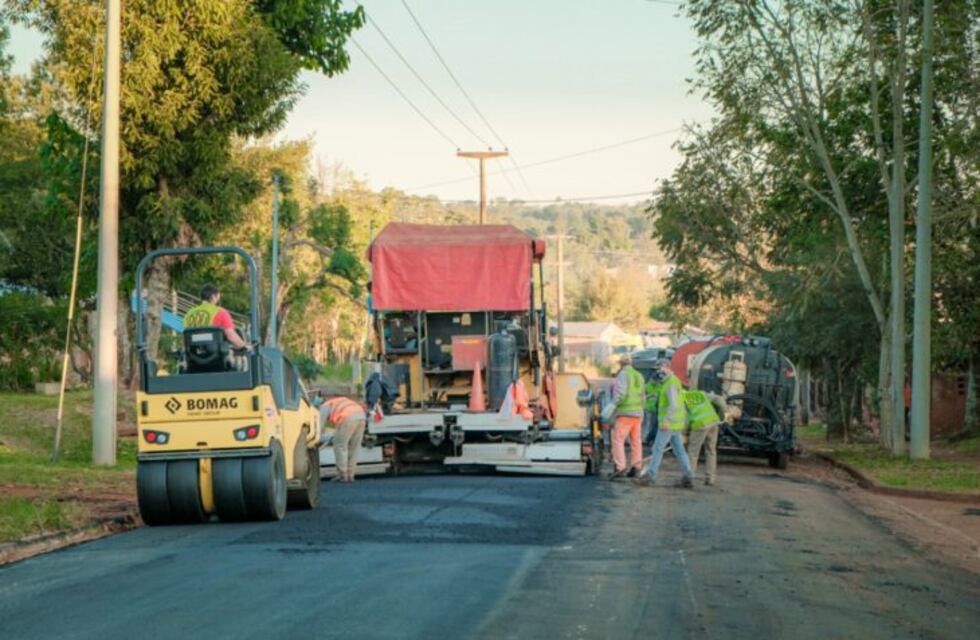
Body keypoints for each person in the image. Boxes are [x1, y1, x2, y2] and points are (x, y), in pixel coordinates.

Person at [633, 360, 694, 488]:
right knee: (679, 450)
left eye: (659, 368)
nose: (657, 372)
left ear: (666, 367)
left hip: (668, 423)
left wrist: (666, 420)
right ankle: (688, 476)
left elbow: (673, 405)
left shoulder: (670, 383)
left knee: (657, 449)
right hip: (675, 423)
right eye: (656, 369)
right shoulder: (669, 382)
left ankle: (650, 477)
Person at [609, 354, 646, 478]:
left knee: (618, 440)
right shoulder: (639, 375)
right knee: (636, 441)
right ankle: (636, 467)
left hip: (625, 413)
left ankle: (620, 467)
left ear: (621, 364)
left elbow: (620, 394)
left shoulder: (623, 374)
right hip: (638, 413)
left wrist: (612, 406)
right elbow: (643, 396)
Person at [183, 284, 248, 349]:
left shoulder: (188, 314)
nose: (218, 301)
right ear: (213, 296)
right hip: (214, 353)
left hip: (192, 354)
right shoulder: (220, 312)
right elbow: (231, 336)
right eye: (217, 298)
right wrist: (244, 346)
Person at [320, 395, 367, 482]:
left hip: (347, 418)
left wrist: (318, 437)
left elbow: (320, 424)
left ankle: (343, 475)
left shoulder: (326, 405)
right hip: (361, 416)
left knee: (340, 446)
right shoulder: (342, 400)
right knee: (354, 447)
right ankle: (351, 474)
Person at [684, 389, 725, 486]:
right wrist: (722, 415)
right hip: (713, 422)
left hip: (700, 424)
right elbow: (720, 400)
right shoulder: (700, 393)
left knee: (693, 452)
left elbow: (686, 419)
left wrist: (684, 433)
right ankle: (710, 478)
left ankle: (689, 477)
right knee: (711, 451)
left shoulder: (682, 399)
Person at [642, 369, 663, 445]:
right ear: (651, 379)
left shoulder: (659, 386)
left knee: (652, 425)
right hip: (647, 408)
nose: (656, 382)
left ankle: (648, 438)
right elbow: (642, 397)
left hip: (656, 408)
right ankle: (645, 438)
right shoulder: (646, 386)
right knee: (648, 424)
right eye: (655, 380)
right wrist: (650, 395)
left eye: (657, 380)